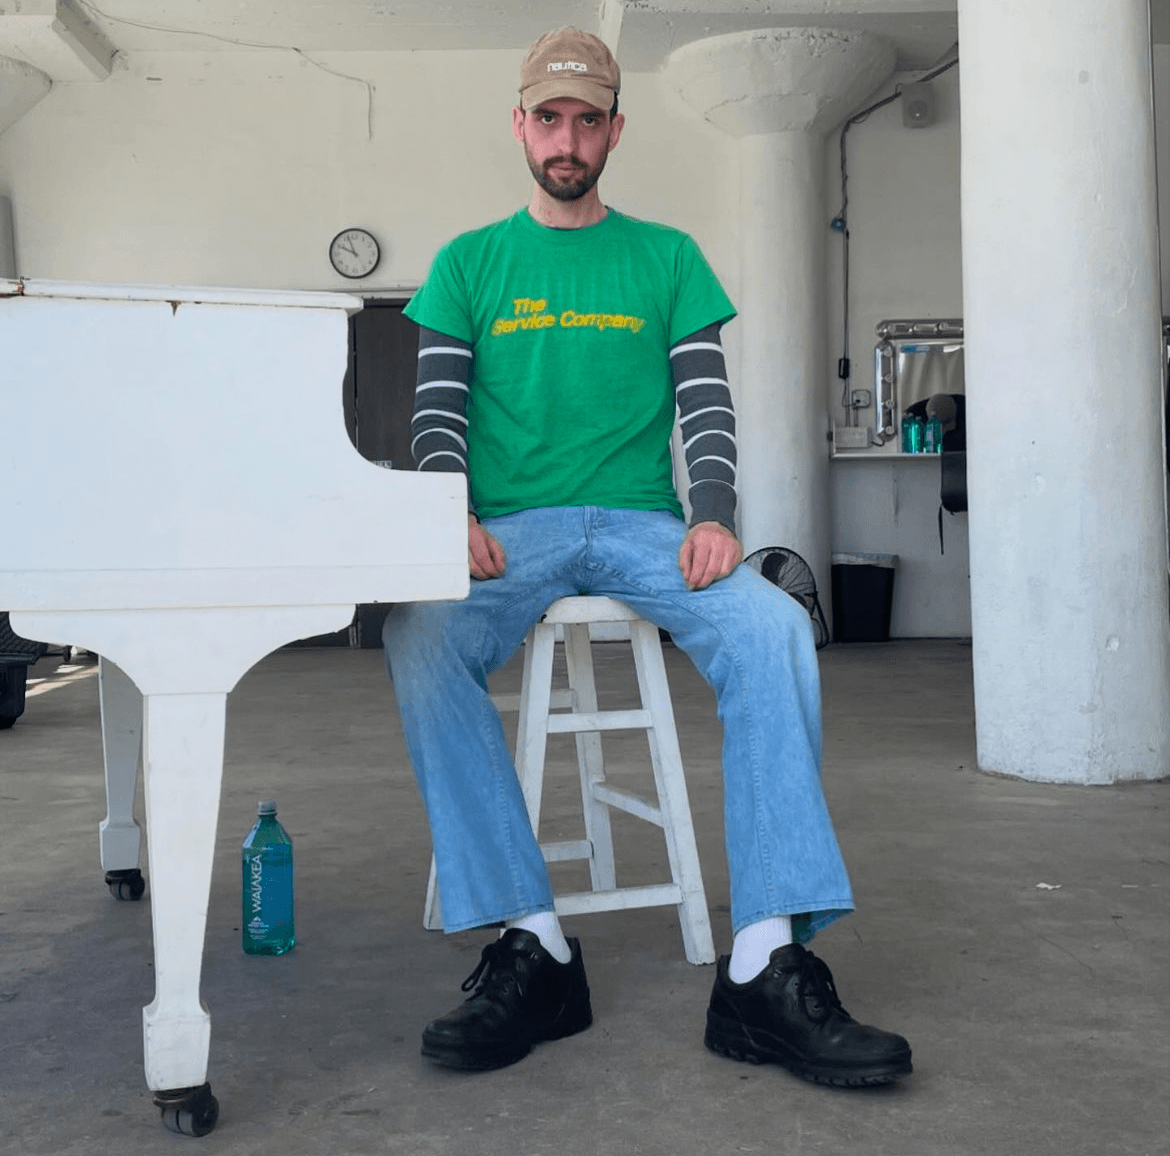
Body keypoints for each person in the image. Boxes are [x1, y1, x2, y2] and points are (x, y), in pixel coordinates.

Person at [383, 26, 912, 1089]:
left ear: (615, 131)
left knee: (771, 626)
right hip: (514, 528)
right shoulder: (467, 262)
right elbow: (435, 414)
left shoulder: (666, 256)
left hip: (642, 525)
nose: (567, 139)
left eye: (587, 120)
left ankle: (762, 962)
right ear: (520, 124)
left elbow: (706, 406)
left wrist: (713, 513)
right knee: (420, 634)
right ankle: (534, 944)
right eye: (549, 118)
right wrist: (449, 510)